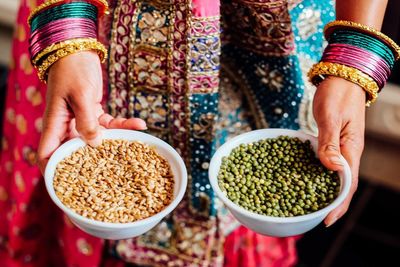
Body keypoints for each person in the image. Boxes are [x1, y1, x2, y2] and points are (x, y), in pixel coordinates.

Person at [0, 0, 397, 266]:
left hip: (271, 36)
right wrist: (67, 37)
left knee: (250, 197)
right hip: (93, 29)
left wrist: (354, 60)